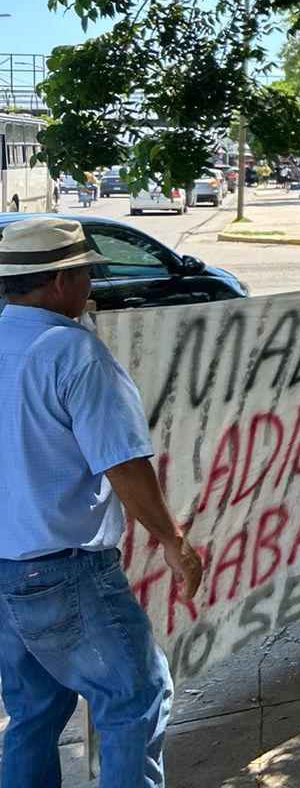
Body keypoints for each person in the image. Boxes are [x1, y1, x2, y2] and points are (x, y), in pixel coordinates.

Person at [0, 217, 205, 788]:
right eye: (86, 272)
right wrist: (175, 541)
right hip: (61, 570)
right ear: (63, 280)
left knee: (34, 713)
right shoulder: (73, 354)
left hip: (4, 568)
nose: (90, 283)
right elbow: (123, 465)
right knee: (134, 699)